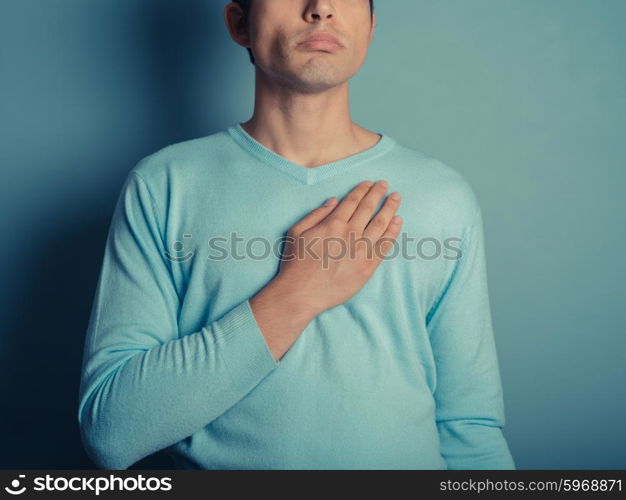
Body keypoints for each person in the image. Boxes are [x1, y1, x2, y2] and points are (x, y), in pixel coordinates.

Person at [78, 0, 516, 470]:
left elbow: (468, 428)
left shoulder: (442, 195)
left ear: (370, 27)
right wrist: (298, 293)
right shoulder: (165, 184)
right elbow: (111, 432)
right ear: (239, 23)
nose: (321, 8)